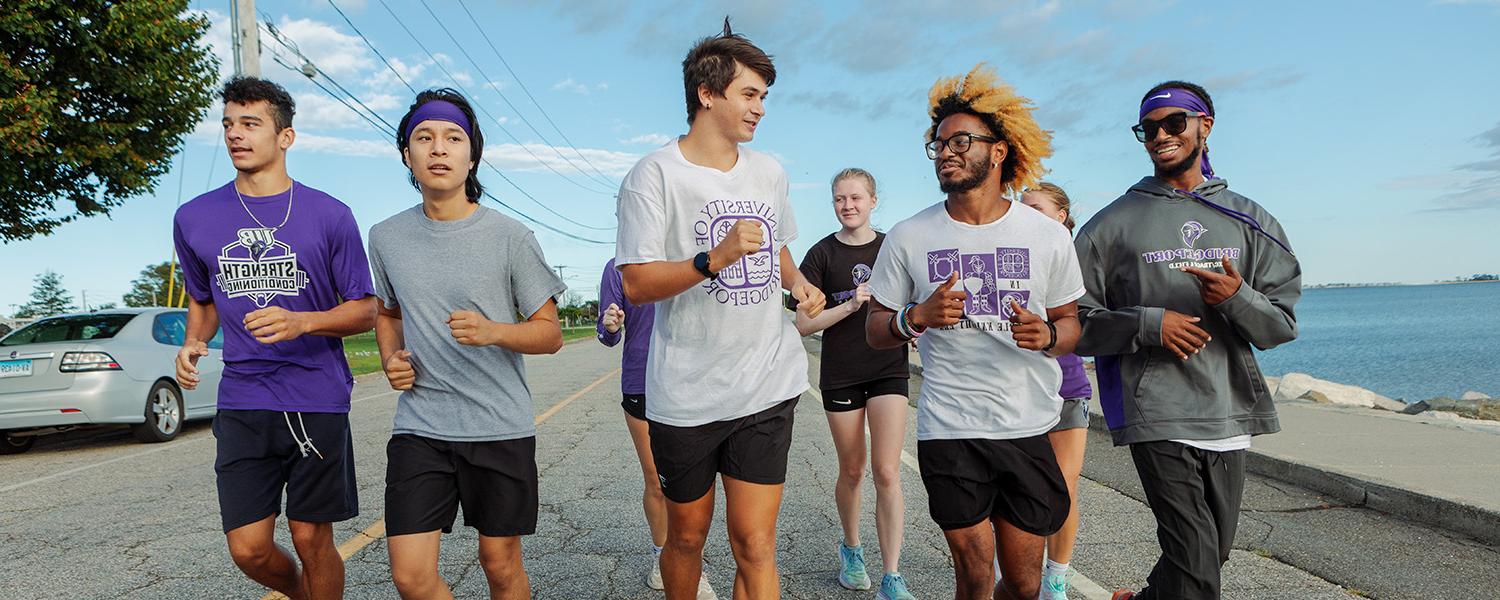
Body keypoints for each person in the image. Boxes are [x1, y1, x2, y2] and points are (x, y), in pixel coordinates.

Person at [614, 18, 825, 600]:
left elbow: (776, 242)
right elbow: (635, 282)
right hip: (686, 393)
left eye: (764, 97)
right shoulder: (653, 176)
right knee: (687, 537)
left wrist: (799, 282)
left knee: (755, 542)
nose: (760, 109)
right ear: (707, 94)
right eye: (749, 95)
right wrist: (713, 258)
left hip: (765, 379)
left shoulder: (769, 172)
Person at [1071, 81, 1302, 600]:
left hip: (1228, 409)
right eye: (1148, 129)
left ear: (1205, 126)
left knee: (1205, 556)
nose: (1160, 136)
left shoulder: (1249, 220)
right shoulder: (1110, 225)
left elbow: (1280, 326)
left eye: (1174, 123)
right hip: (1156, 410)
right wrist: (1148, 323)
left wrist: (1235, 297)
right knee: (1197, 564)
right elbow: (1073, 323)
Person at [864, 64, 1083, 600]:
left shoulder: (1045, 236)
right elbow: (875, 329)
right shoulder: (909, 236)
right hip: (950, 426)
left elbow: (1072, 324)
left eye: (961, 140)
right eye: (938, 144)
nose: (946, 152)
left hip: (1028, 424)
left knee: (1025, 581)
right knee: (975, 573)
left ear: (1000, 150)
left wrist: (1049, 338)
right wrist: (914, 318)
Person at [173, 76, 377, 600]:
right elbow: (204, 298)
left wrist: (301, 321)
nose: (235, 135)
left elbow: (366, 310)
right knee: (248, 548)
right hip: (243, 396)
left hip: (316, 395)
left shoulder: (330, 215)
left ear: (285, 137)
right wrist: (194, 341)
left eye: (250, 124)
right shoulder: (195, 217)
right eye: (228, 125)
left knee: (312, 539)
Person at [367, 88, 567, 600]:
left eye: (453, 138)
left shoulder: (510, 236)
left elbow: (550, 333)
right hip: (421, 427)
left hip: (498, 425)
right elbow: (386, 311)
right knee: (410, 576)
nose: (439, 148)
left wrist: (494, 331)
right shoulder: (385, 236)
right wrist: (391, 356)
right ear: (407, 155)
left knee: (499, 566)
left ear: (471, 155)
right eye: (424, 138)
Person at [793, 168, 915, 600]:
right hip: (841, 372)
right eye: (840, 199)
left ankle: (892, 577)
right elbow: (804, 324)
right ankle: (851, 549)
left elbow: (912, 304)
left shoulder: (891, 247)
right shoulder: (820, 255)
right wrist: (851, 305)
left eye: (856, 198)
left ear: (873, 200)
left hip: (887, 368)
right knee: (853, 469)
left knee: (886, 470)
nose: (848, 205)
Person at [596, 258, 719, 599]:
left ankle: (692, 563)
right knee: (656, 480)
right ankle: (660, 557)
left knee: (692, 484)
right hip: (641, 381)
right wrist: (610, 325)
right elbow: (606, 335)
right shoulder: (616, 268)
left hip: (691, 381)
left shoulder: (691, 256)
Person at [1019, 182, 1094, 600]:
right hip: (1020, 390)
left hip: (1068, 388)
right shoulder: (1013, 257)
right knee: (1020, 490)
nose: (1026, 216)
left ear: (1062, 216)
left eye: (1037, 209)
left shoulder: (1076, 260)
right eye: (1022, 209)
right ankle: (1010, 572)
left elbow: (1087, 320)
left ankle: (1056, 580)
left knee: (1064, 490)